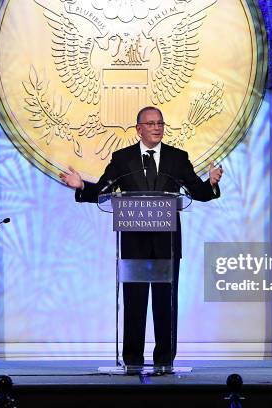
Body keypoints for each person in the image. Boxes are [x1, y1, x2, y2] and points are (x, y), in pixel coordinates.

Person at [60, 106, 223, 367]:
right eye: (150, 124)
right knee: (134, 305)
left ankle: (164, 361)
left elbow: (198, 192)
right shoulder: (123, 159)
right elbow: (104, 189)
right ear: (139, 129)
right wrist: (82, 187)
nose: (157, 127)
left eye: (160, 123)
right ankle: (133, 360)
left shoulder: (177, 158)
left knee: (165, 306)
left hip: (167, 243)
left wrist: (211, 183)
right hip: (134, 242)